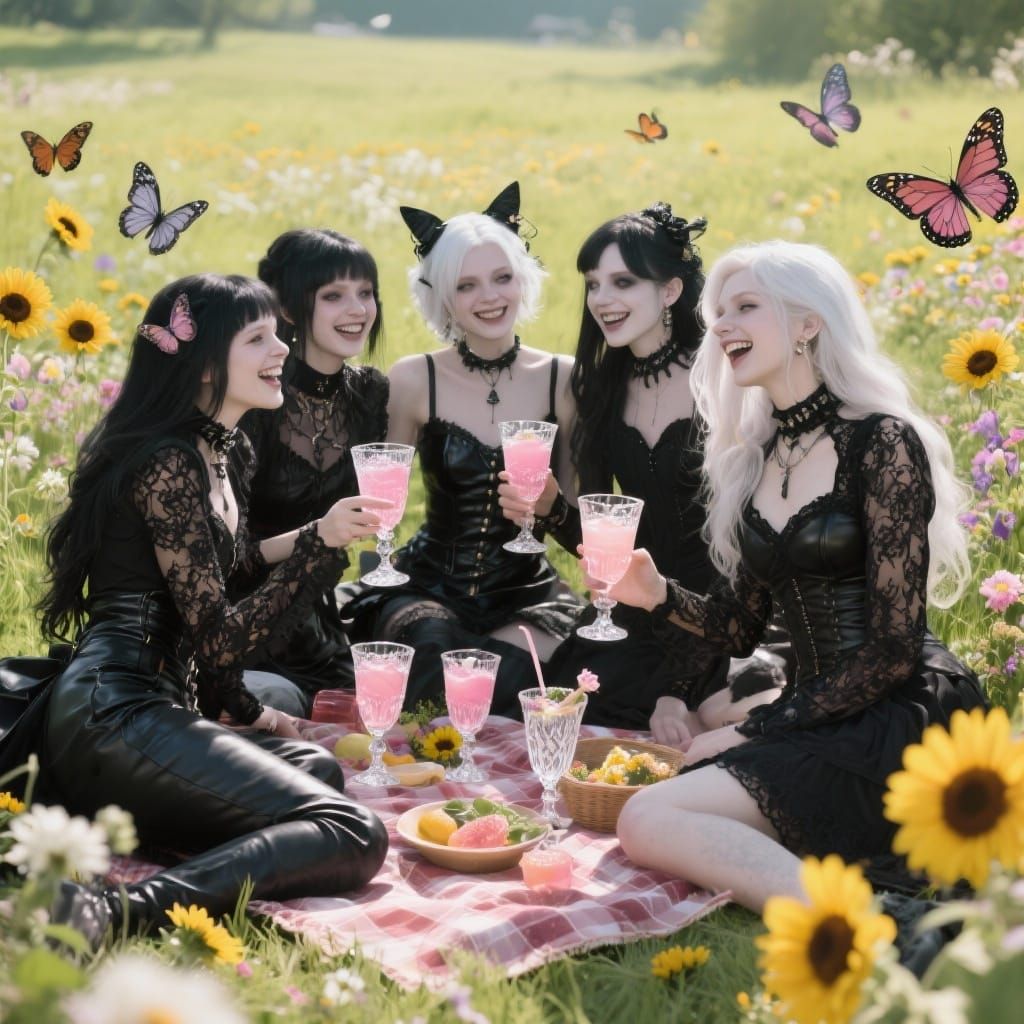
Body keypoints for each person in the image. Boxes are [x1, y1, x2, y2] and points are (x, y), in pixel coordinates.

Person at [601, 241, 986, 911]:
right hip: (815, 708)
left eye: (745, 306)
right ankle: (855, 901)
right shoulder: (755, 459)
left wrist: (755, 728)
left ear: (809, 322)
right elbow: (740, 627)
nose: (721, 326)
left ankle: (870, 924)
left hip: (896, 712)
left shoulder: (882, 442)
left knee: (646, 818)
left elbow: (894, 647)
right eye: (717, 312)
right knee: (657, 806)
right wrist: (655, 593)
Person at [30, 273, 389, 946]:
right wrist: (319, 551)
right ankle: (110, 911)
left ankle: (176, 854)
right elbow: (218, 638)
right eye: (257, 337)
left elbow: (222, 573)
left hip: (157, 704)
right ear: (201, 368)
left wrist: (257, 713)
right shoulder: (165, 463)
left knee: (318, 772)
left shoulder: (220, 453)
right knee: (353, 831)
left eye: (277, 332)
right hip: (116, 712)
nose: (281, 348)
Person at [500, 203, 785, 739]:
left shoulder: (729, 381)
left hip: (730, 612)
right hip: (636, 613)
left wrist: (675, 688)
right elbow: (607, 542)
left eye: (623, 282)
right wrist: (553, 509)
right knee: (569, 712)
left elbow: (744, 558)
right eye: (593, 284)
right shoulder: (601, 390)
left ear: (672, 291)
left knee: (709, 715)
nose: (602, 300)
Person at [348, 183, 582, 714]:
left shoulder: (562, 379)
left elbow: (578, 521)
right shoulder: (414, 379)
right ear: (443, 296)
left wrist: (550, 507)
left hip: (526, 593)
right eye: (467, 285)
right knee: (435, 657)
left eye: (502, 278)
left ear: (522, 280)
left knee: (519, 683)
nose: (490, 297)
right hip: (428, 584)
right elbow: (380, 501)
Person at [240, 229, 389, 717]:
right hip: (241, 615)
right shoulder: (256, 396)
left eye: (365, 293)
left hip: (315, 620)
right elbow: (226, 555)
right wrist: (318, 533)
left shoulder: (368, 395)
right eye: (333, 296)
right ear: (287, 309)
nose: (358, 309)